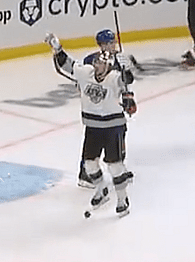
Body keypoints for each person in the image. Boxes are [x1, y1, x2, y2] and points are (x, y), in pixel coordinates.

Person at [45, 31, 136, 216]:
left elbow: (127, 81)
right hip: (93, 127)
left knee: (115, 166)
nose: (97, 66)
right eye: (96, 63)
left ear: (108, 66)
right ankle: (101, 190)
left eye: (101, 64)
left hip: (113, 127)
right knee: (89, 165)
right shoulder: (86, 72)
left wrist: (127, 70)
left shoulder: (114, 77)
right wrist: (57, 47)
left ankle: (122, 200)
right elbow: (67, 64)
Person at [74, 29, 137, 189]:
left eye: (113, 42)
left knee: (119, 134)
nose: (112, 45)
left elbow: (125, 83)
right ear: (100, 45)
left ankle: (119, 169)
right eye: (108, 43)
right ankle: (85, 173)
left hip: (112, 106)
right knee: (91, 139)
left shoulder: (119, 59)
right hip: (96, 106)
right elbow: (84, 80)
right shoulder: (92, 60)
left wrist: (128, 98)